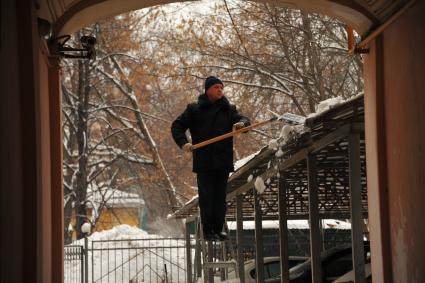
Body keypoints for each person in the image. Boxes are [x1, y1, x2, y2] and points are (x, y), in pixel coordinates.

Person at [171, 76, 250, 241]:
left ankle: (217, 229)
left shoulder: (229, 109)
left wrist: (242, 125)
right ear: (207, 89)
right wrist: (184, 143)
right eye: (216, 87)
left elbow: (244, 120)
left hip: (222, 161)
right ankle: (208, 232)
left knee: (220, 199)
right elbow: (177, 126)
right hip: (204, 162)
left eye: (222, 87)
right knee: (207, 198)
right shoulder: (194, 109)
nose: (220, 90)